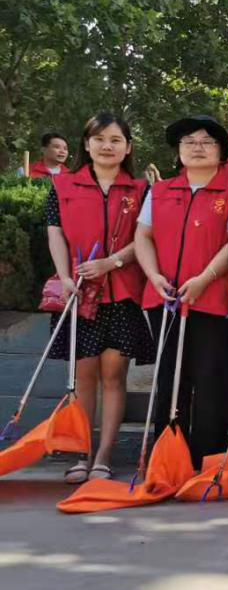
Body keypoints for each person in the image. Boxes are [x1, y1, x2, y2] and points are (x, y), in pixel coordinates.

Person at [45, 113, 153, 481]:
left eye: (116, 140)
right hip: (79, 293)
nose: (108, 146)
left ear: (128, 147)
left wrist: (112, 261)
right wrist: (64, 277)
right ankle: (81, 453)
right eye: (100, 139)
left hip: (122, 294)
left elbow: (146, 239)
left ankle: (104, 456)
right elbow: (55, 234)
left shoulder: (141, 190)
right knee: (82, 377)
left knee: (114, 377)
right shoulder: (62, 186)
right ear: (87, 144)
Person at [134, 115, 228, 465]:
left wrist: (204, 278)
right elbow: (143, 236)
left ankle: (206, 460)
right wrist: (153, 275)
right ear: (178, 151)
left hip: (212, 299)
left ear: (221, 152)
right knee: (169, 378)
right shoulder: (160, 191)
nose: (197, 148)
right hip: (165, 298)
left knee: (209, 379)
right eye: (189, 142)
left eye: (207, 142)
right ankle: (167, 459)